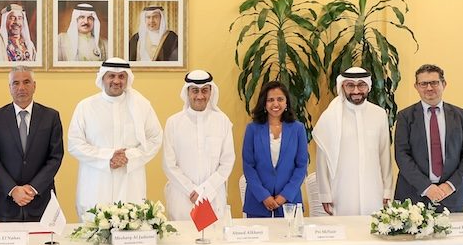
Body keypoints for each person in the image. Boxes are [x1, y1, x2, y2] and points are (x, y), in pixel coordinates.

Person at [68, 58, 162, 218]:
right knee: (95, 234)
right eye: (111, 76)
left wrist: (129, 156)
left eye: (121, 76)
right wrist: (108, 157)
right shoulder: (85, 106)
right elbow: (74, 144)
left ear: (128, 79)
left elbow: (155, 138)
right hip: (96, 182)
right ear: (102, 78)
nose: (116, 81)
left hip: (130, 181)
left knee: (130, 231)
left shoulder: (142, 106)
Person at [0, 67, 64, 222]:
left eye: (26, 82)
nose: (21, 88)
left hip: (41, 201)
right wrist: (13, 190)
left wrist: (32, 189)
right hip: (5, 202)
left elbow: (55, 157)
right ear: (9, 88)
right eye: (16, 83)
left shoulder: (51, 117)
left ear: (34, 86)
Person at [394, 64, 463, 213]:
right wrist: (426, 187)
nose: (429, 88)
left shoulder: (461, 116)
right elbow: (401, 155)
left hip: (451, 195)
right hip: (413, 196)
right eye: (423, 83)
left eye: (434, 82)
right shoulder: (405, 116)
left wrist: (450, 185)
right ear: (416, 87)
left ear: (444, 84)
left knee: (451, 236)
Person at [313, 67, 392, 216]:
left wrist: (387, 190)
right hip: (341, 191)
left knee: (373, 232)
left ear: (368, 86)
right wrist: (325, 194)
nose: (356, 91)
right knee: (346, 233)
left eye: (361, 85)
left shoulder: (379, 114)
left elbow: (384, 155)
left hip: (373, 189)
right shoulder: (330, 117)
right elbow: (322, 160)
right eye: (350, 85)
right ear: (342, 86)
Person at [163, 70, 236, 220]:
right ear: (187, 92)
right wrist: (191, 190)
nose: (200, 96)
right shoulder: (174, 123)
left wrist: (205, 190)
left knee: (213, 239)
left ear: (211, 92)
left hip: (213, 196)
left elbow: (227, 161)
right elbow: (168, 164)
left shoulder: (222, 121)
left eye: (204, 91)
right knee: (182, 241)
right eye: (195, 91)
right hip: (182, 197)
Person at [242, 81, 308, 217]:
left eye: (280, 99)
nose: (276, 104)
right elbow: (248, 166)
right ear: (264, 104)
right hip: (257, 202)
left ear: (286, 103)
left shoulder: (298, 129)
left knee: (290, 238)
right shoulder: (252, 129)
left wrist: (284, 196)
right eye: (270, 100)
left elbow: (301, 166)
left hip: (289, 202)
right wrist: (264, 196)